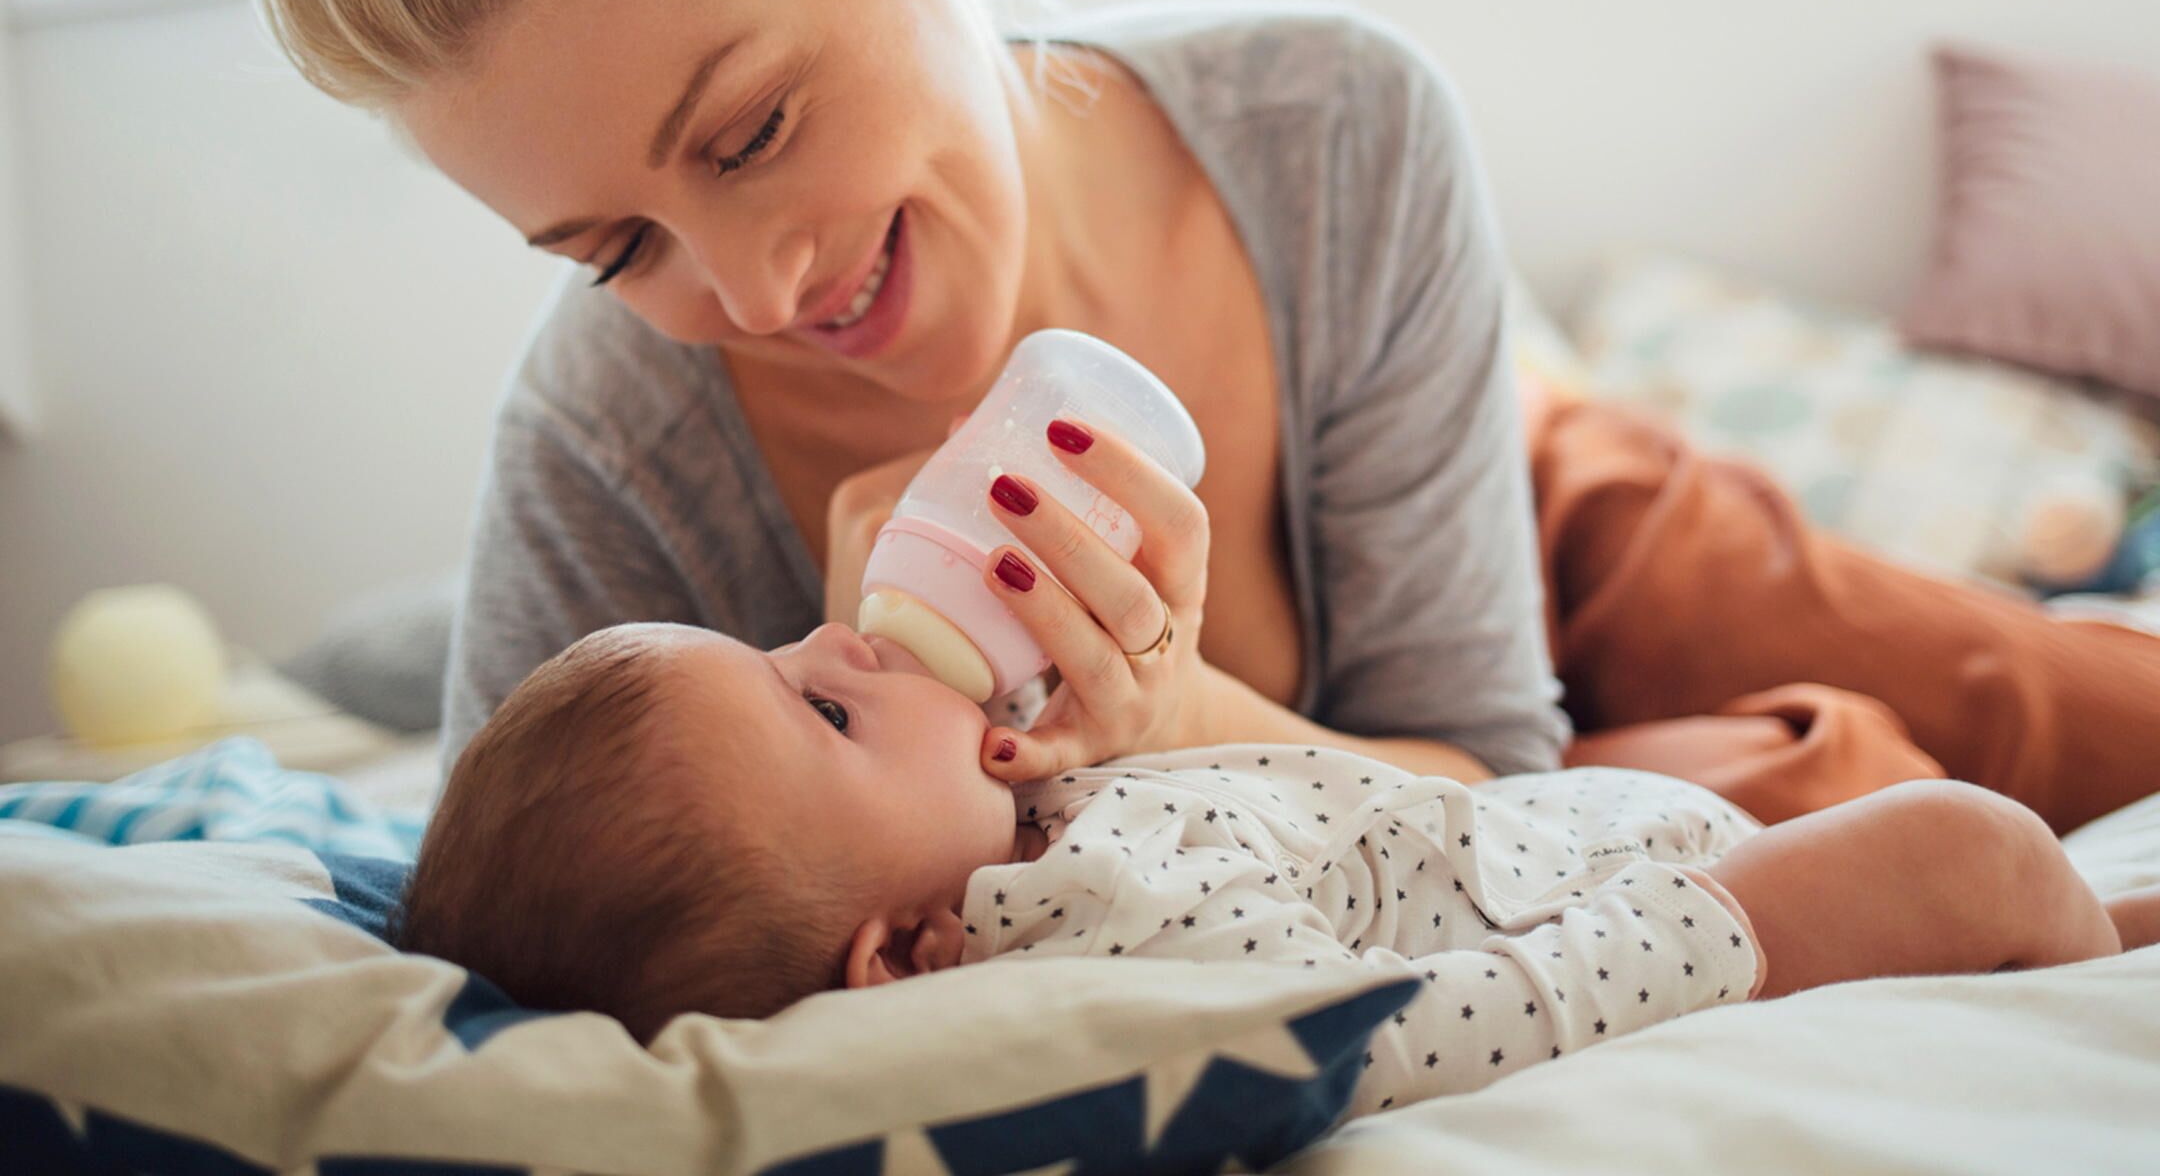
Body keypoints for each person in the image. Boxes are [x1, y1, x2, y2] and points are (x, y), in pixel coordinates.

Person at [255, 0, 2160, 832]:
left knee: (1931, 661)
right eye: (610, 249)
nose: (748, 297)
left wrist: (1171, 709)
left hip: (1498, 486)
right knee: (1806, 791)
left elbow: (1473, 741)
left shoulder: (1332, 129)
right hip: (1355, 754)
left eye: (753, 132)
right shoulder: (607, 461)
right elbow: (526, 892)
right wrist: (1117, 734)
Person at [398, 613, 2157, 1119]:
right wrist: (1713, 933)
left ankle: (2090, 937)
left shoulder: (1037, 834)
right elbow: (1383, 1029)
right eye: (822, 717)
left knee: (2007, 857)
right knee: (1966, 843)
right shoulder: (1085, 960)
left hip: (1574, 822)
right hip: (1643, 915)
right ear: (897, 962)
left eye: (787, 643)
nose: (846, 644)